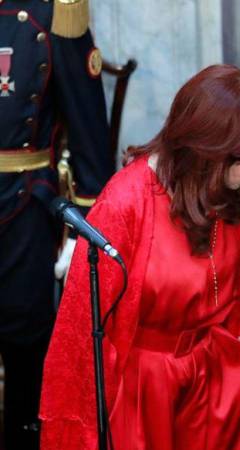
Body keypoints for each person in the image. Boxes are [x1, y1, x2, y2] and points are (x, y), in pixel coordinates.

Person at [39, 64, 240, 450]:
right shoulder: (126, 202)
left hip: (216, 379)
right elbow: (79, 332)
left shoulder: (232, 190)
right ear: (213, 151)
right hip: (143, 389)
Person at [0, 1, 112, 449]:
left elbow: (87, 124)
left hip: (23, 205)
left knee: (25, 341)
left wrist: (85, 223)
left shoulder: (54, 11)